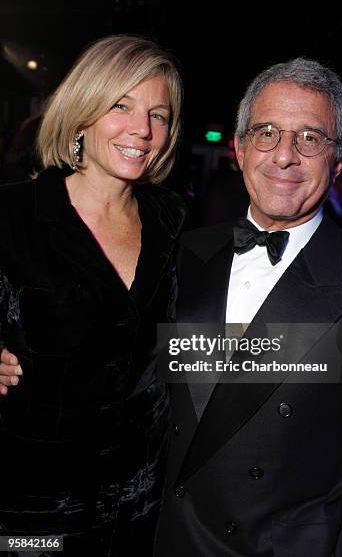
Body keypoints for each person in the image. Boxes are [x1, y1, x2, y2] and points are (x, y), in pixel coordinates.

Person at [151, 59, 342, 556]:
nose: (284, 156)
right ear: (240, 148)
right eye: (266, 133)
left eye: (310, 138)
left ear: (338, 159)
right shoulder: (182, 254)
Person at [0, 34, 185, 555]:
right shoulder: (13, 214)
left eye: (160, 115)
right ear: (83, 113)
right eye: (120, 105)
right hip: (32, 510)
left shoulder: (172, 218)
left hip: (140, 507)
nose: (143, 130)